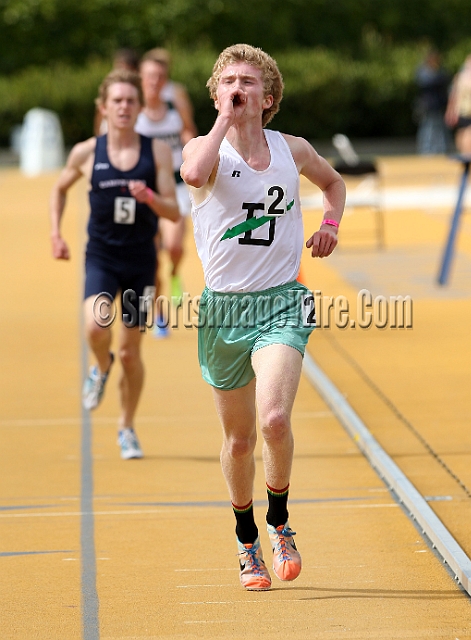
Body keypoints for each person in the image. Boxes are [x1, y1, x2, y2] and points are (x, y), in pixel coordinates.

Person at [181, 44, 346, 591]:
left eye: (248, 82)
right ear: (215, 94)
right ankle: (245, 537)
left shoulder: (290, 149)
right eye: (227, 80)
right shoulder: (205, 149)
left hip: (282, 299)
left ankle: (279, 524)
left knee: (273, 419)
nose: (237, 87)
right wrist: (223, 120)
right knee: (240, 440)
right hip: (224, 309)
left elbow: (335, 184)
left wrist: (330, 226)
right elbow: (193, 174)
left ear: (268, 96)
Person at [50, 68, 180, 459]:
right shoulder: (87, 152)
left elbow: (174, 212)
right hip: (103, 257)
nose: (124, 106)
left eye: (131, 100)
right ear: (103, 107)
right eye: (117, 101)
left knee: (131, 353)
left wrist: (151, 200)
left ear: (140, 107)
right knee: (95, 325)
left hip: (141, 263)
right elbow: (59, 188)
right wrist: (56, 234)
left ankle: (127, 427)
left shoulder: (154, 150)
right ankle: (99, 366)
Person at [135, 48, 197, 336]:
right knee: (151, 257)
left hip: (176, 187)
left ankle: (174, 274)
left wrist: (192, 149)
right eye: (149, 76)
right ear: (140, 78)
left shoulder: (175, 106)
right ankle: (160, 314)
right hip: (146, 190)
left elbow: (188, 131)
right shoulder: (132, 112)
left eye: (160, 76)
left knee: (173, 246)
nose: (154, 81)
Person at [414, 49, 451, 155]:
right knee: (428, 128)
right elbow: (426, 82)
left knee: (440, 128)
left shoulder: (440, 71)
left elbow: (445, 80)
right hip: (428, 106)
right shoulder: (423, 71)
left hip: (439, 105)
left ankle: (440, 149)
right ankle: (426, 150)